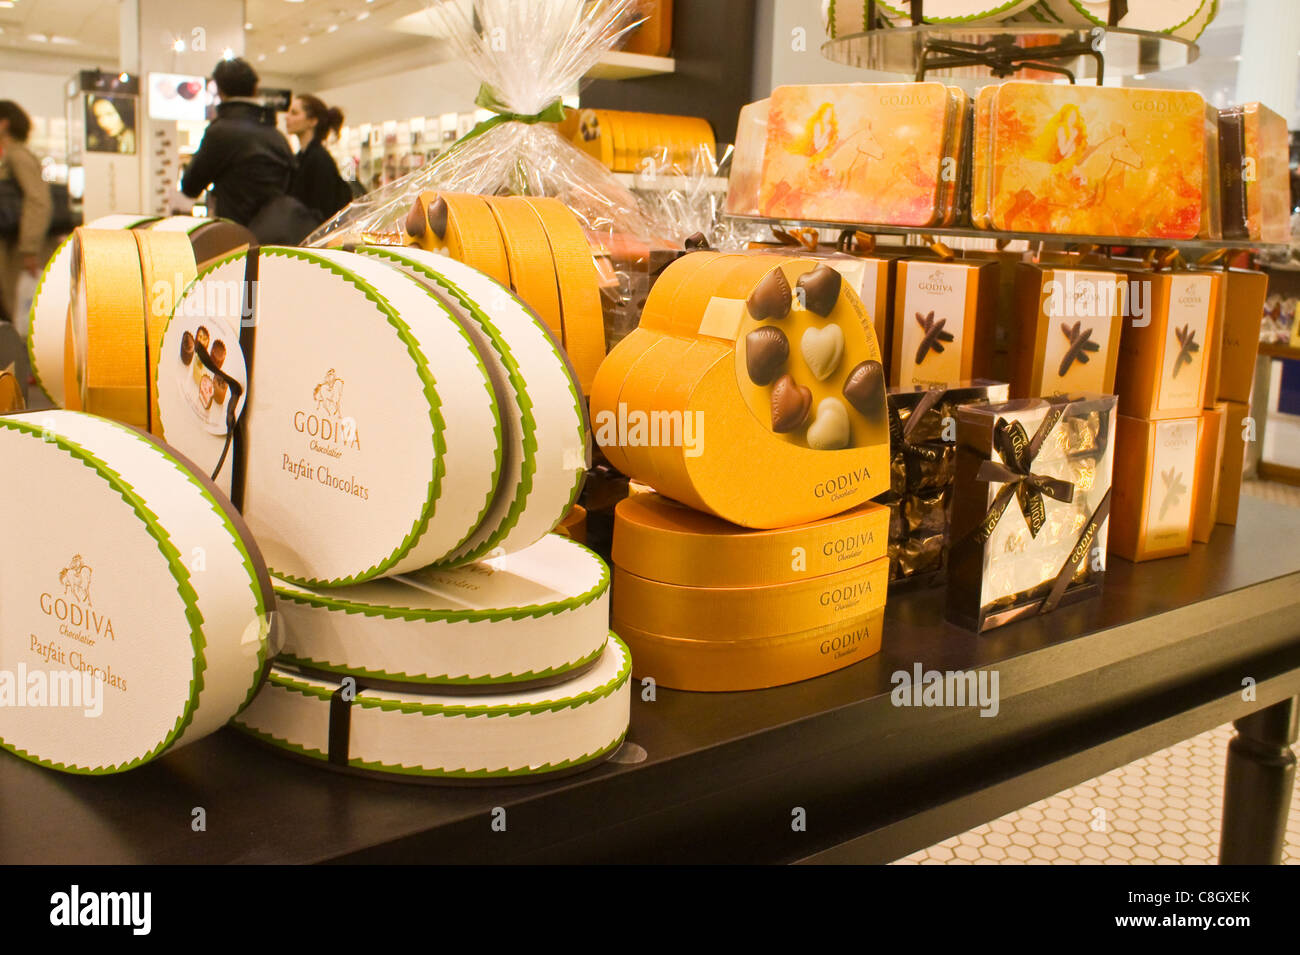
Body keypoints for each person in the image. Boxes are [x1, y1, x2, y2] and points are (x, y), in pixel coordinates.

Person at [181, 58, 294, 228]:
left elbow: (190, 186)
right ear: (255, 89)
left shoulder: (220, 132)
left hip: (235, 234)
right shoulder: (276, 135)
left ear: (220, 91)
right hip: (277, 233)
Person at [0, 101, 52, 324]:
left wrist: (29, 248)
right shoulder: (13, 156)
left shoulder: (17, 157)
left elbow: (38, 201)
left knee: (21, 316)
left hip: (19, 252)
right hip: (16, 248)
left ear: (4, 124)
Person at [285, 95, 353, 224]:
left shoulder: (319, 159)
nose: (287, 117)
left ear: (312, 121)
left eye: (294, 113)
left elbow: (322, 209)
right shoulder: (302, 157)